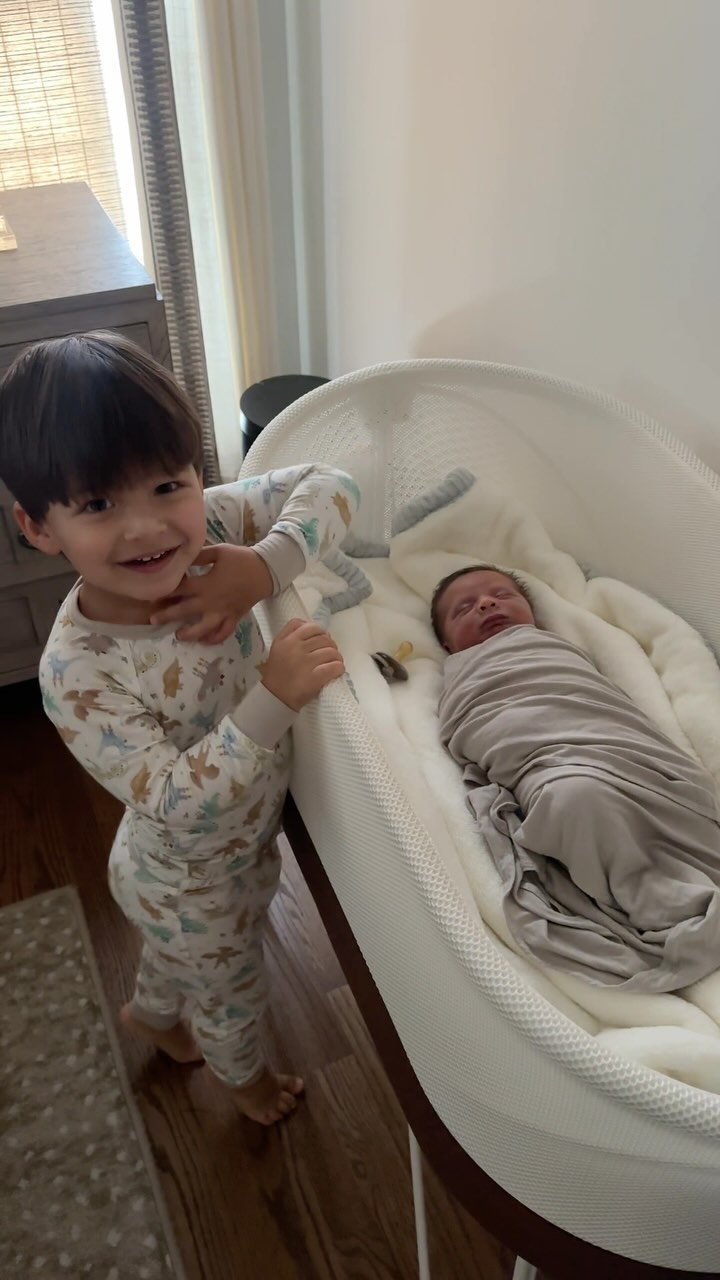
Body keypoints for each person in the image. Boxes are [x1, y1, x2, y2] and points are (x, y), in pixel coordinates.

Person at [0, 331, 359, 1123]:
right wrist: (274, 697)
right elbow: (171, 796)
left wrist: (265, 565)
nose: (148, 528)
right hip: (193, 876)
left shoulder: (215, 528)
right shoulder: (78, 672)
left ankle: (152, 1016)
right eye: (98, 505)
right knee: (232, 992)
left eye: (168, 485)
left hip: (231, 852)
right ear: (38, 526)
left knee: (177, 957)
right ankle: (247, 1085)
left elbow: (332, 483)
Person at [432, 565, 720, 993]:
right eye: (464, 608)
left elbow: (602, 699)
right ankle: (661, 903)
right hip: (551, 767)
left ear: (532, 611)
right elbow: (470, 727)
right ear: (446, 644)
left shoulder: (556, 647)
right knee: (574, 797)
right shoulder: (462, 678)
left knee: (637, 792)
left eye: (502, 595)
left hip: (629, 752)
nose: (488, 604)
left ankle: (681, 880)